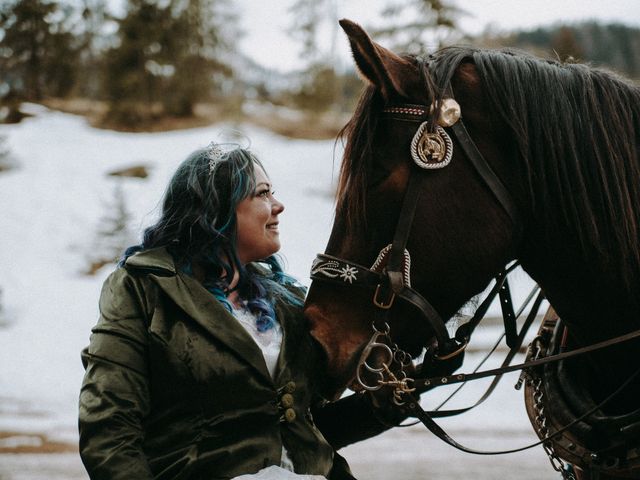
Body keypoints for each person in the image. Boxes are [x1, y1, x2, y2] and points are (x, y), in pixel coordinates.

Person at [78, 142, 403, 480]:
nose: (278, 205)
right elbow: (109, 429)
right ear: (215, 210)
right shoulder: (144, 289)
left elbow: (310, 426)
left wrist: (390, 400)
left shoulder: (287, 301)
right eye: (262, 194)